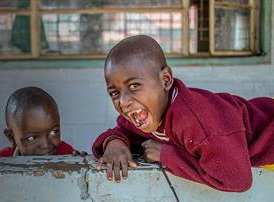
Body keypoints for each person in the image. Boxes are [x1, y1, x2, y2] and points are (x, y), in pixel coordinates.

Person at [92, 35, 274, 192]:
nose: (123, 102)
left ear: (166, 80)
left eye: (134, 86)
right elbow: (121, 131)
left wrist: (167, 156)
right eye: (115, 93)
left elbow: (236, 180)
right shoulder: (144, 112)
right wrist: (114, 143)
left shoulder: (194, 120)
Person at [0, 87, 83, 157]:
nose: (45, 145)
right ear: (11, 137)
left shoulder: (67, 154)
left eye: (53, 132)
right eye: (32, 138)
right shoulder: (1, 162)